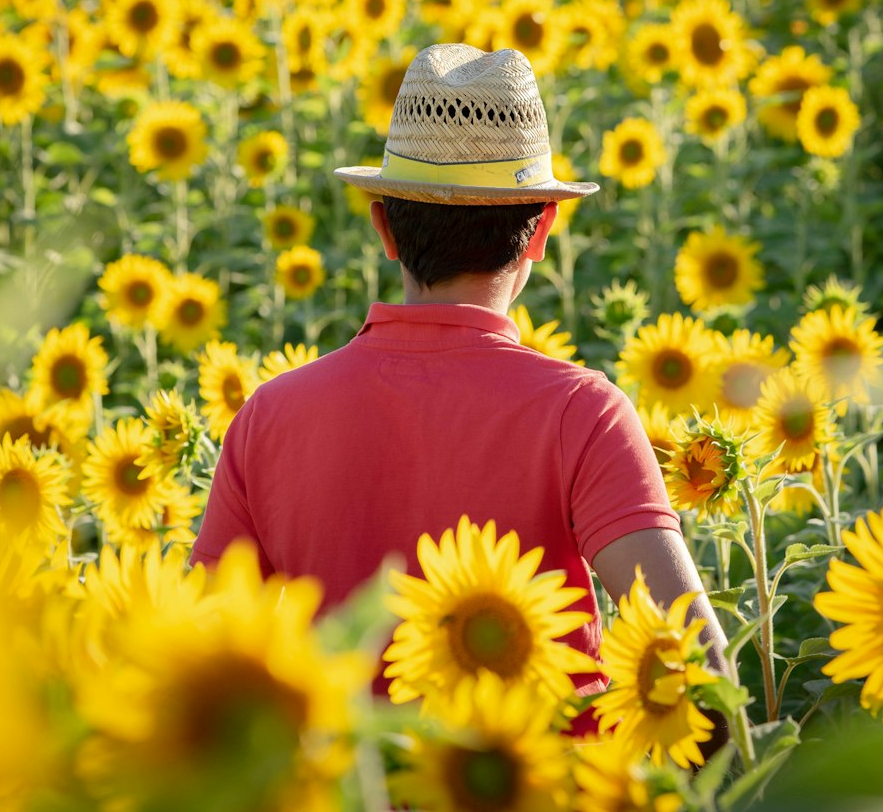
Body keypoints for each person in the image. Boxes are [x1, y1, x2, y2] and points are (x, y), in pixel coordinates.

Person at [190, 43, 730, 736]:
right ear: (541, 232)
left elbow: (205, 653)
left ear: (384, 226)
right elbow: (705, 674)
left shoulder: (269, 416)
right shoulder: (580, 414)